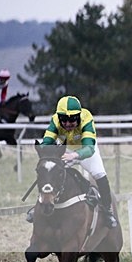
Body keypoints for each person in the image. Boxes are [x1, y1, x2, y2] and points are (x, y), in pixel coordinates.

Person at [28, 96, 118, 228]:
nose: (68, 124)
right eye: (64, 120)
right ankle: (40, 204)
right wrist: (44, 151)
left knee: (100, 175)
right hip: (65, 149)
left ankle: (108, 211)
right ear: (59, 117)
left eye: (72, 120)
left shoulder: (86, 119)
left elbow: (89, 148)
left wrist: (74, 155)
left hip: (86, 149)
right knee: (50, 172)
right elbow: (47, 141)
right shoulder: (55, 120)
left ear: (79, 116)